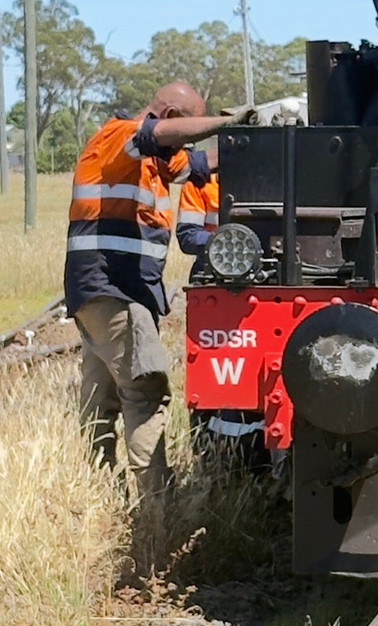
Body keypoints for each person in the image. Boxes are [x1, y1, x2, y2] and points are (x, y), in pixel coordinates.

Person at [64, 81, 251, 499]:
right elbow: (156, 136)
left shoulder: (148, 161)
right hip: (114, 288)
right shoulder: (120, 135)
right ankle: (158, 506)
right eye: (184, 127)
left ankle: (99, 493)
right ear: (169, 119)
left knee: (103, 396)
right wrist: (227, 121)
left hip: (100, 289)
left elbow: (197, 166)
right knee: (146, 392)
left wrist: (250, 142)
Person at [177, 172, 271, 473]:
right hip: (222, 280)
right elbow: (187, 235)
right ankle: (228, 463)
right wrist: (229, 245)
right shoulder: (202, 181)